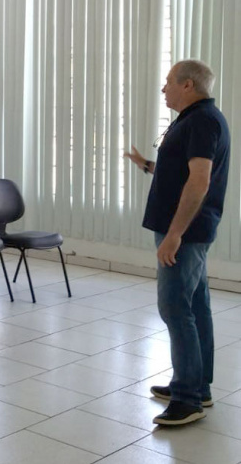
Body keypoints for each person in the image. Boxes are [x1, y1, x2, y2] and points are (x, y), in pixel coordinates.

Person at [125, 60, 230, 426]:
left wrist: (174, 234)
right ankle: (197, 386)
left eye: (168, 81)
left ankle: (187, 399)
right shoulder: (197, 119)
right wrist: (145, 164)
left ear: (188, 85)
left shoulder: (201, 121)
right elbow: (180, 171)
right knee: (195, 305)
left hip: (185, 232)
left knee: (175, 308)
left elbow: (199, 181)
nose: (163, 88)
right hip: (189, 230)